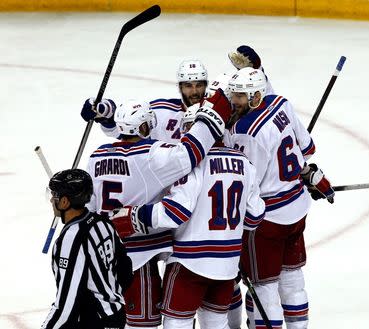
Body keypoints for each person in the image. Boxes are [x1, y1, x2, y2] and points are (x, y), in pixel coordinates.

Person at [86, 90, 232, 329]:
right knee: (143, 324)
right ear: (143, 127)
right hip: (140, 254)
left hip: (105, 251)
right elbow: (189, 153)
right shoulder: (150, 155)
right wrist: (212, 115)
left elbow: (90, 205)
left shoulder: (97, 155)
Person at [110, 109, 266, 329]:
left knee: (177, 324)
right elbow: (255, 217)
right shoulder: (245, 164)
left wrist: (135, 216)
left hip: (189, 262)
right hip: (227, 265)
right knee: (216, 325)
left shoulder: (192, 164)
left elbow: (176, 212)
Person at [226, 67, 335, 329]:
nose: (234, 101)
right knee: (293, 280)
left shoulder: (244, 131)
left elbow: (245, 184)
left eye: (240, 96)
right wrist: (310, 176)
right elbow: (307, 149)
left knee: (264, 289)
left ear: (255, 97)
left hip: (267, 221)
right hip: (297, 209)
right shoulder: (281, 103)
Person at [41, 169, 133, 329]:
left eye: (54, 195)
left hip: (93, 322)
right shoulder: (103, 223)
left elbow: (66, 305)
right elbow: (126, 270)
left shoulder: (72, 238)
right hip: (115, 315)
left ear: (64, 202)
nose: (51, 200)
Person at [80, 59, 209, 143]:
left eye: (199, 85)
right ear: (180, 87)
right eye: (188, 86)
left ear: (206, 85)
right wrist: (106, 115)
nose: (194, 92)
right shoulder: (159, 111)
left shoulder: (218, 112)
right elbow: (123, 131)